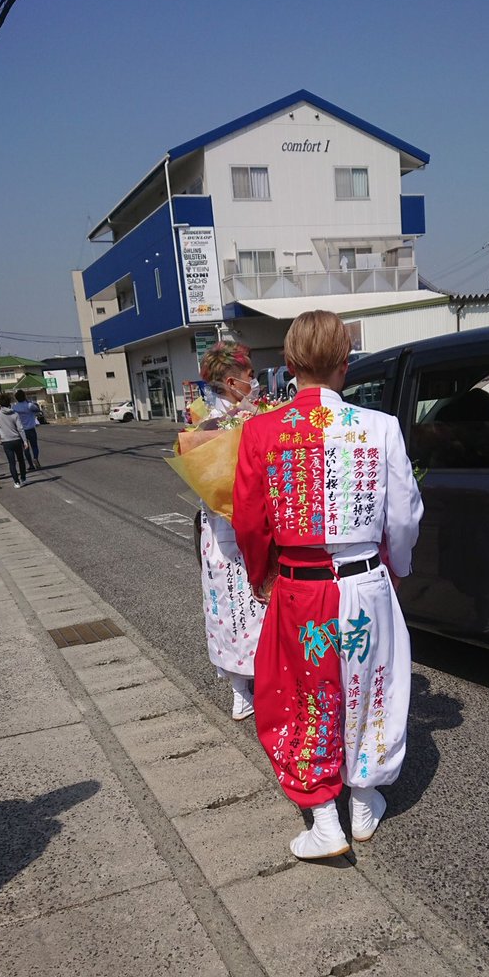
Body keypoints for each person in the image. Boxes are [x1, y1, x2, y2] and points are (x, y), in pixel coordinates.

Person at [233, 311, 423, 860]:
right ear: (346, 364)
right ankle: (364, 800)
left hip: (300, 589)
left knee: (302, 695)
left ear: (289, 365)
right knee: (372, 684)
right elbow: (404, 516)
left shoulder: (261, 431)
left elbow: (250, 521)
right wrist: (399, 568)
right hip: (366, 585)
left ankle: (324, 818)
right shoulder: (380, 426)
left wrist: (260, 575)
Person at [198, 342, 267, 720]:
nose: (254, 382)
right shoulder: (210, 426)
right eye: (250, 377)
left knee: (257, 608)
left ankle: (264, 678)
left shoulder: (251, 416)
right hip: (226, 532)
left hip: (251, 528)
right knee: (234, 609)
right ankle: (240, 687)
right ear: (231, 382)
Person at [0, 393, 29, 488]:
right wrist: (25, 441)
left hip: (6, 441)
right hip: (17, 439)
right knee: (21, 460)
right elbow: (20, 428)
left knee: (11, 462)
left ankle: (16, 482)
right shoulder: (15, 414)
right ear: (9, 403)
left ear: (0, 404)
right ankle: (23, 479)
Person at [12, 388, 42, 469]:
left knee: (26, 448)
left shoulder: (14, 407)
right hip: (31, 428)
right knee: (34, 446)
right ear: (24, 396)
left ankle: (31, 465)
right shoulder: (29, 405)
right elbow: (37, 410)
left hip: (21, 430)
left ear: (16, 398)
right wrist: (28, 402)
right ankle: (35, 458)